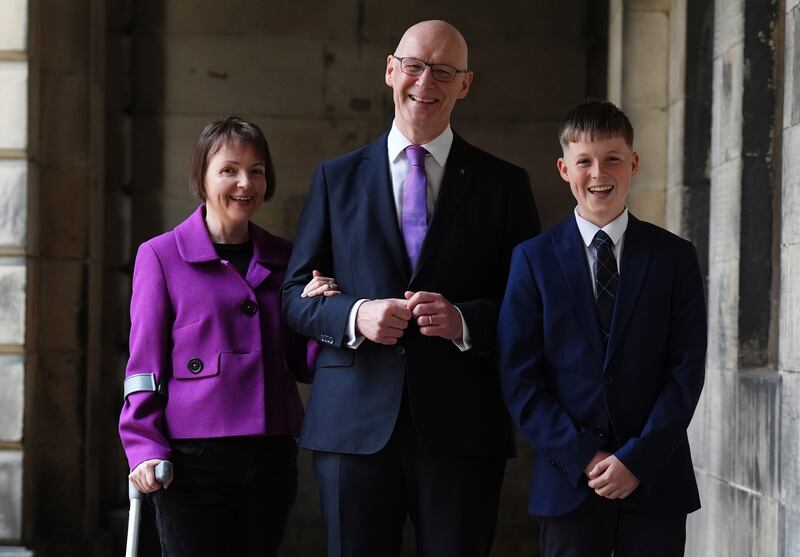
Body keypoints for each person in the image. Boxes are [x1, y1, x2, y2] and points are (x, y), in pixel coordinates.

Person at [281, 19, 540, 557]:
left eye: (444, 70)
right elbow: (293, 296)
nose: (427, 81)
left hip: (462, 427)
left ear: (464, 84)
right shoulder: (336, 177)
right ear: (391, 71)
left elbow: (532, 306)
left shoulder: (504, 185)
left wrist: (464, 320)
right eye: (415, 66)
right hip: (352, 425)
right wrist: (356, 315)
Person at [498, 100, 706, 557]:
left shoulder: (674, 258)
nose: (599, 173)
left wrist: (637, 458)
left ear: (632, 164)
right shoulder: (532, 260)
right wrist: (583, 457)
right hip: (569, 480)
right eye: (584, 161)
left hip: (655, 480)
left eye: (612, 158)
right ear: (563, 168)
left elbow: (685, 372)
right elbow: (520, 379)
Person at [118, 116, 324, 557]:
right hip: (190, 463)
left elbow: (302, 364)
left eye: (257, 170)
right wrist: (143, 446)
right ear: (201, 177)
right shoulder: (160, 255)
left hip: (269, 457)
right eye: (228, 169)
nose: (244, 183)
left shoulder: (287, 257)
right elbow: (144, 367)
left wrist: (320, 313)